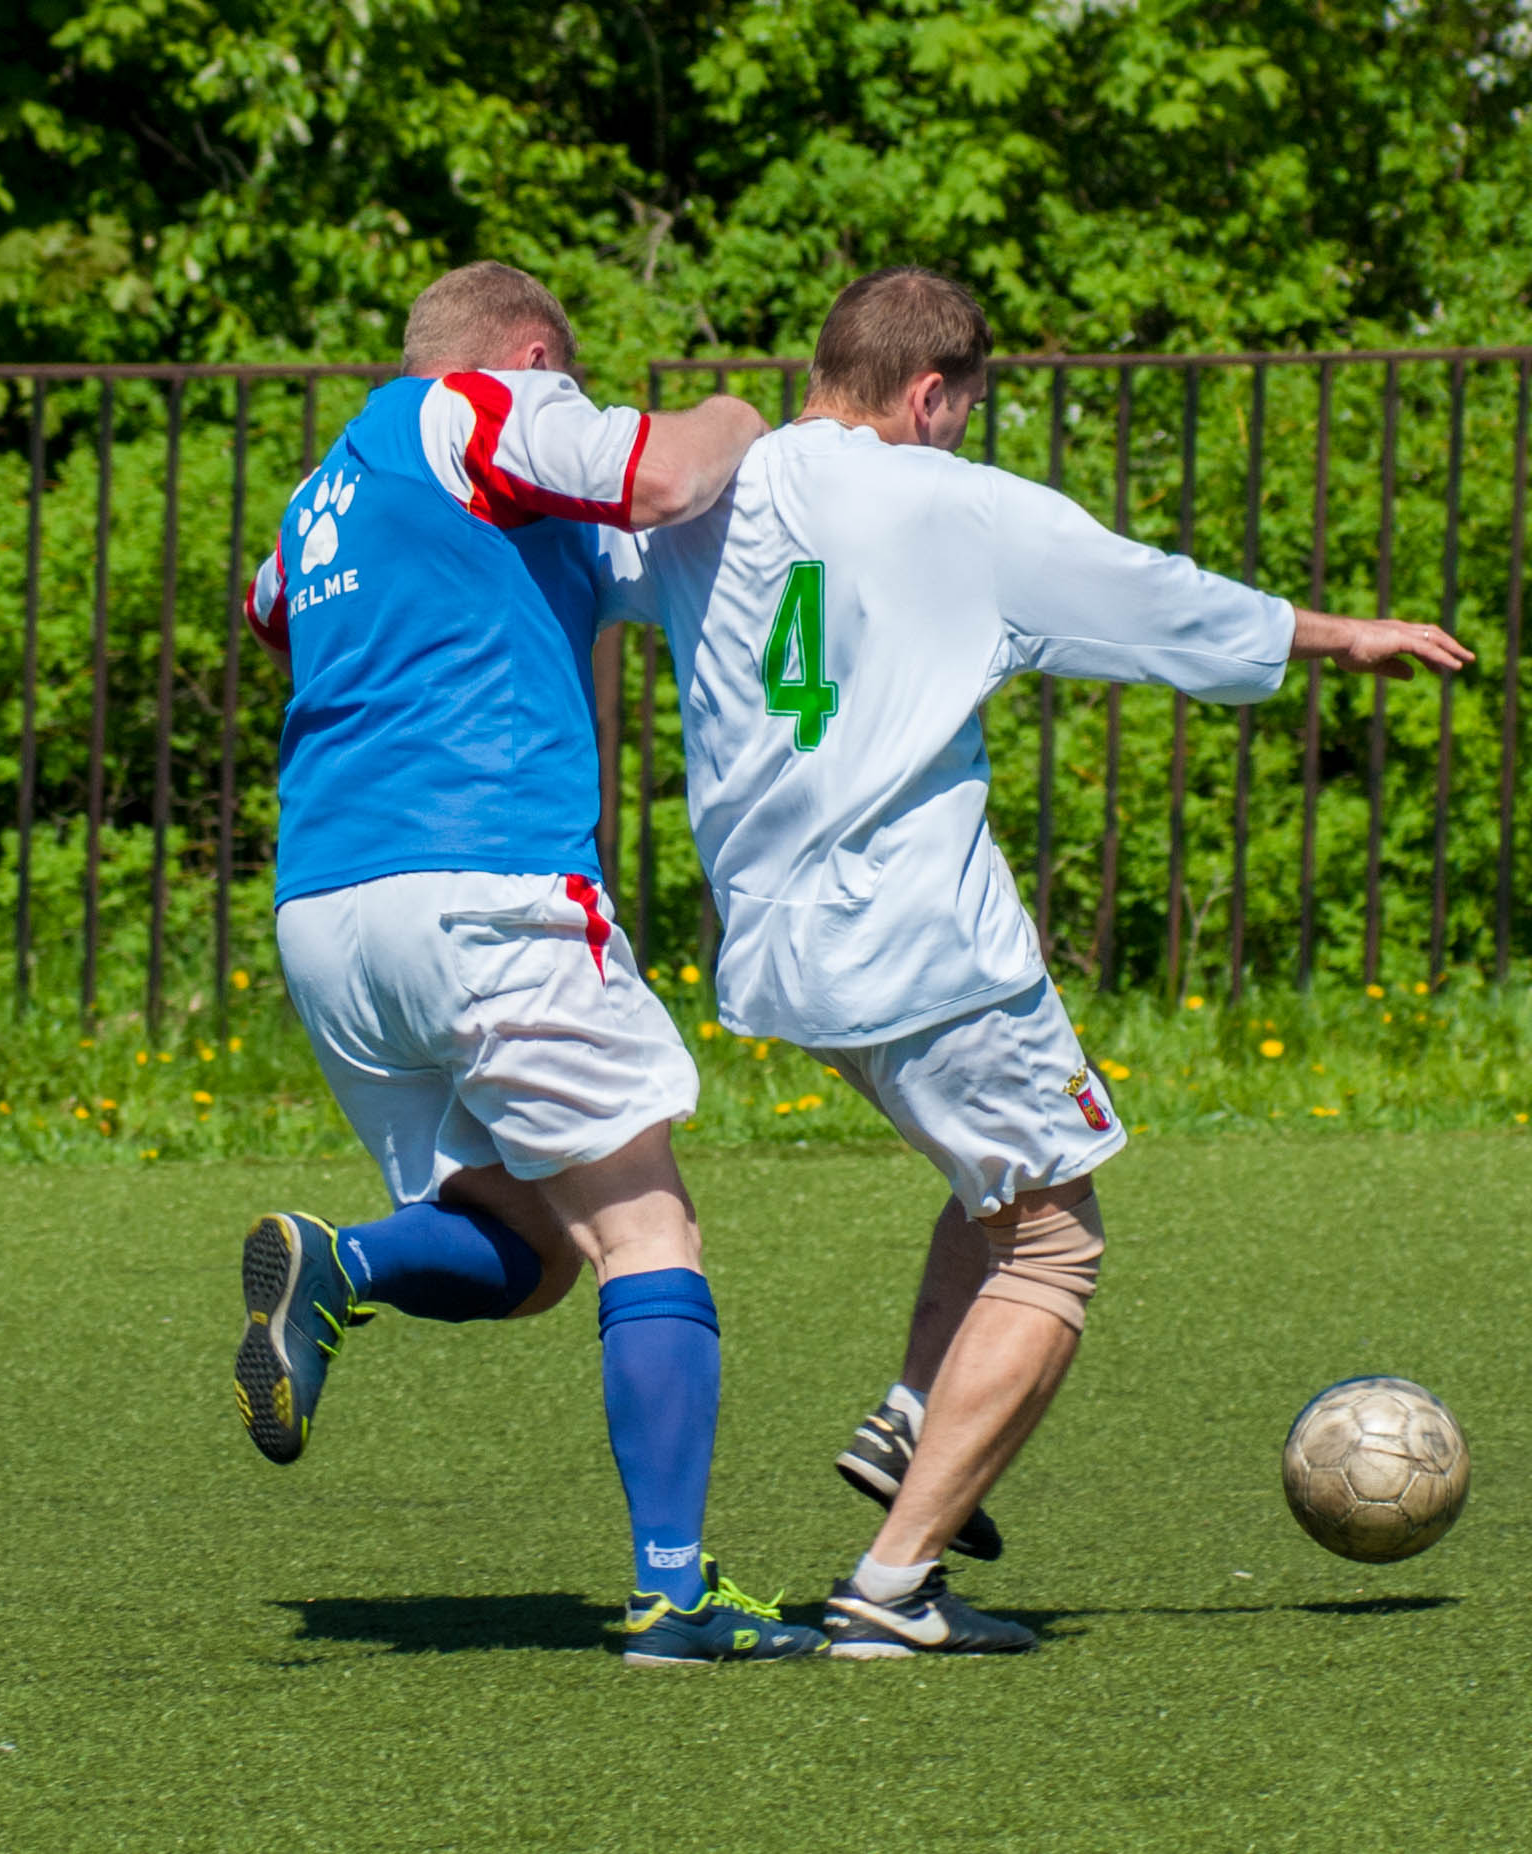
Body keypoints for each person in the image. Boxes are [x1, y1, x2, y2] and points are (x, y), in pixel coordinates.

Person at [597, 266, 1473, 1657]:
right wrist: (1339, 636)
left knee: (1002, 1172)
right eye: (960, 410)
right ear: (929, 394)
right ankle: (893, 1589)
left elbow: (599, 570)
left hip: (781, 945)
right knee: (1057, 1242)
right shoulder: (952, 503)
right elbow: (1158, 601)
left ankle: (911, 1416)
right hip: (920, 941)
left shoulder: (721, 491)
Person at [236, 259, 827, 1666]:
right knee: (647, 1232)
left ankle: (340, 1264)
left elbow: (275, 613)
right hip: (485, 886)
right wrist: (743, 416)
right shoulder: (475, 410)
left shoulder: (320, 497)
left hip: (329, 912)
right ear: (532, 355)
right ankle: (674, 1597)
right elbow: (666, 473)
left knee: (538, 1249)